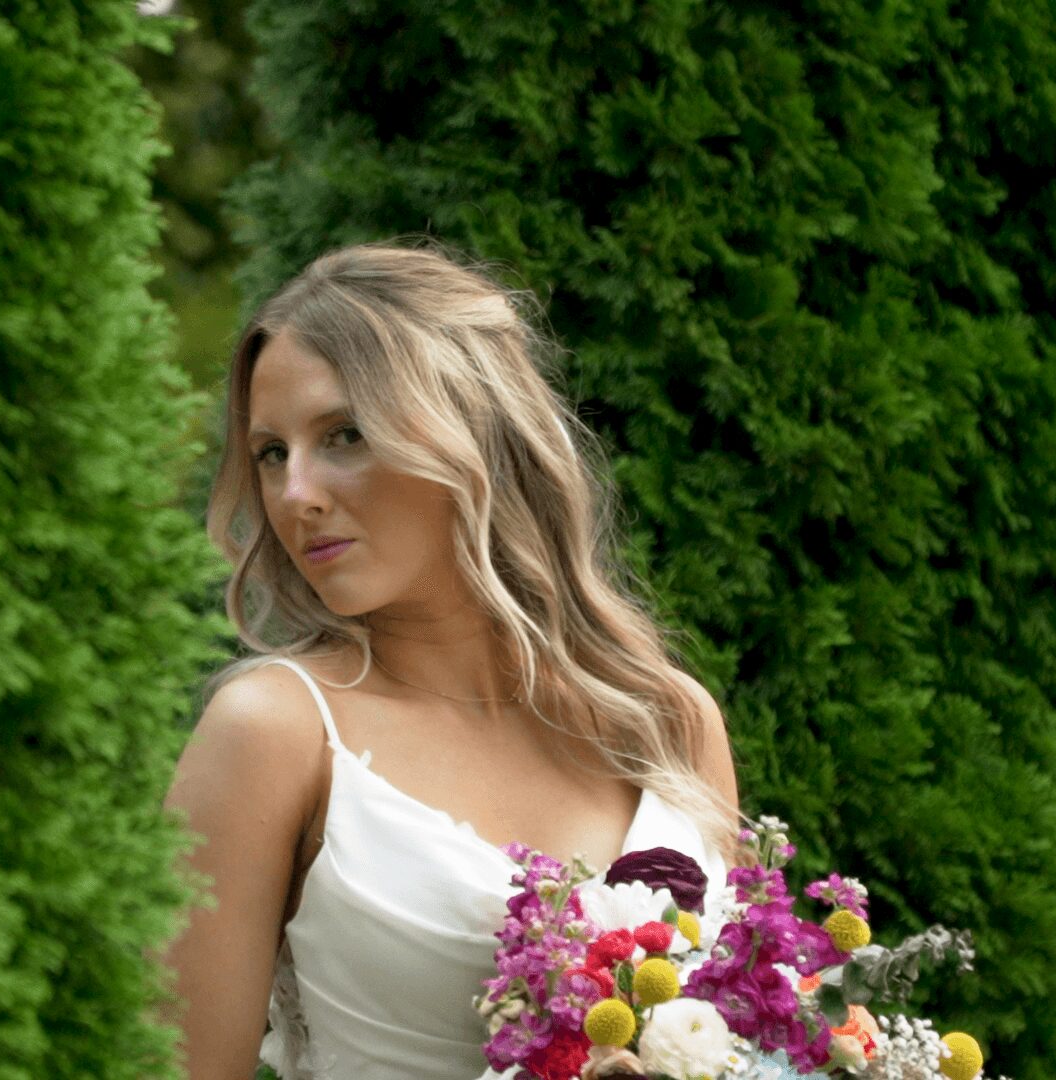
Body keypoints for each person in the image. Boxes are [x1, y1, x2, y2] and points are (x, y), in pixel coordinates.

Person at [162, 241, 743, 1080]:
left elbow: (750, 1030)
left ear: (472, 433)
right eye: (272, 453)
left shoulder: (666, 722)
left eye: (344, 435)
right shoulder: (273, 733)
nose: (296, 495)